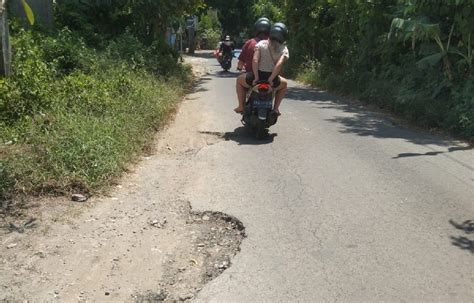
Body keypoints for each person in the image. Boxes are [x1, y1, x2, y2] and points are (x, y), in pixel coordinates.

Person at [234, 22, 289, 115]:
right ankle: (275, 109)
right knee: (284, 84)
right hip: (272, 79)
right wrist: (271, 79)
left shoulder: (261, 44)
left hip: (257, 77)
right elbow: (278, 65)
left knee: (239, 81)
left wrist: (256, 77)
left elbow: (255, 60)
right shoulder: (284, 49)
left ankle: (241, 106)